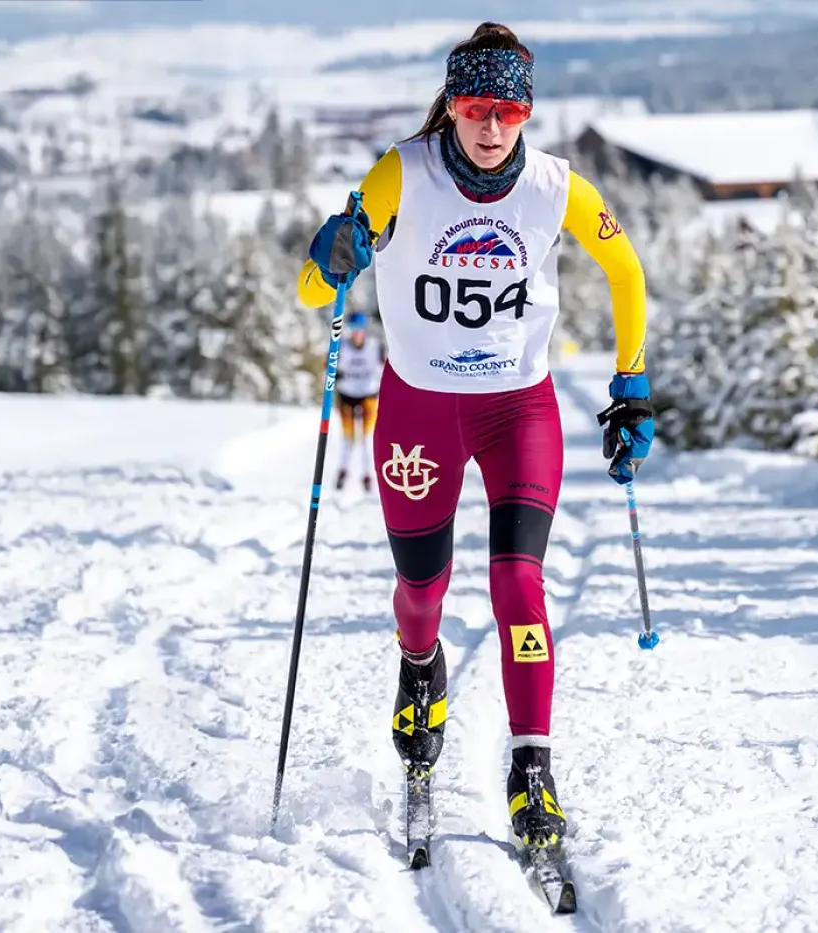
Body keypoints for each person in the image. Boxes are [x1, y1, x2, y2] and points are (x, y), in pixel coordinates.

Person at [296, 21, 654, 852]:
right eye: (475, 107)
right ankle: (420, 666)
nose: (492, 127)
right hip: (419, 412)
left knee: (518, 584)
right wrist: (330, 254)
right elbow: (316, 290)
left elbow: (627, 270)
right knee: (421, 589)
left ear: (527, 112)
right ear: (452, 105)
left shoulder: (558, 187)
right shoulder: (402, 172)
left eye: (509, 110)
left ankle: (532, 767)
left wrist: (631, 383)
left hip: (516, 411)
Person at [333, 310, 384, 492]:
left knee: (367, 438)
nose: (357, 333)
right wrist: (334, 375)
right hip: (347, 395)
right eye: (353, 329)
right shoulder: (340, 346)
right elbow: (329, 368)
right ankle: (343, 471)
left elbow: (385, 368)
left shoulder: (375, 346)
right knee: (348, 437)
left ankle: (367, 475)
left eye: (360, 329)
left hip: (368, 396)